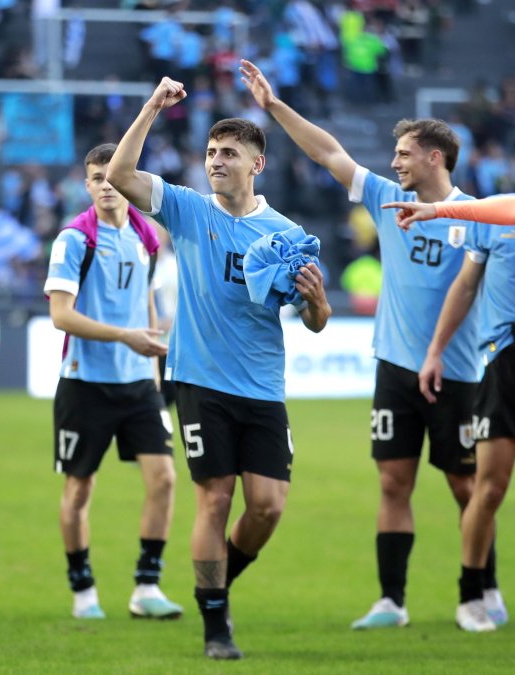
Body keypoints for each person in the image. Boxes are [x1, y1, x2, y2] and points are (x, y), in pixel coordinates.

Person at [236, 59, 493, 630]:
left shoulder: (477, 215)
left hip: (459, 373)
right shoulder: (383, 198)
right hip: (396, 368)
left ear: (434, 157)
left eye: (404, 153)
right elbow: (329, 155)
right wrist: (274, 107)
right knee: (393, 481)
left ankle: (478, 591)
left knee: (466, 485)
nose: (393, 161)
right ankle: (391, 601)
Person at [108, 78, 332, 659]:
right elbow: (120, 176)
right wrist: (153, 107)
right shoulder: (187, 210)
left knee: (267, 506)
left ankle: (216, 581)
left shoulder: (285, 234)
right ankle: (216, 627)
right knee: (215, 499)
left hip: (262, 385)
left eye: (228, 154)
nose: (216, 162)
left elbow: (314, 322)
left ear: (256, 163)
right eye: (210, 153)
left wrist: (319, 303)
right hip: (199, 379)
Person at [379, 126, 515, 632]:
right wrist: (435, 352)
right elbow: (465, 286)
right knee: (488, 487)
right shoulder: (499, 213)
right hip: (503, 363)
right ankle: (472, 594)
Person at [45, 142, 183, 621]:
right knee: (80, 490)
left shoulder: (146, 235)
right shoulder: (73, 240)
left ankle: (146, 587)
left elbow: (145, 300)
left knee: (164, 479)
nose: (106, 186)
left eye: (112, 176)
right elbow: (61, 317)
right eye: (96, 178)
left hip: (138, 383)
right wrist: (127, 337)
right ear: (86, 186)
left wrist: (153, 353)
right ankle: (83, 590)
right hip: (85, 383)